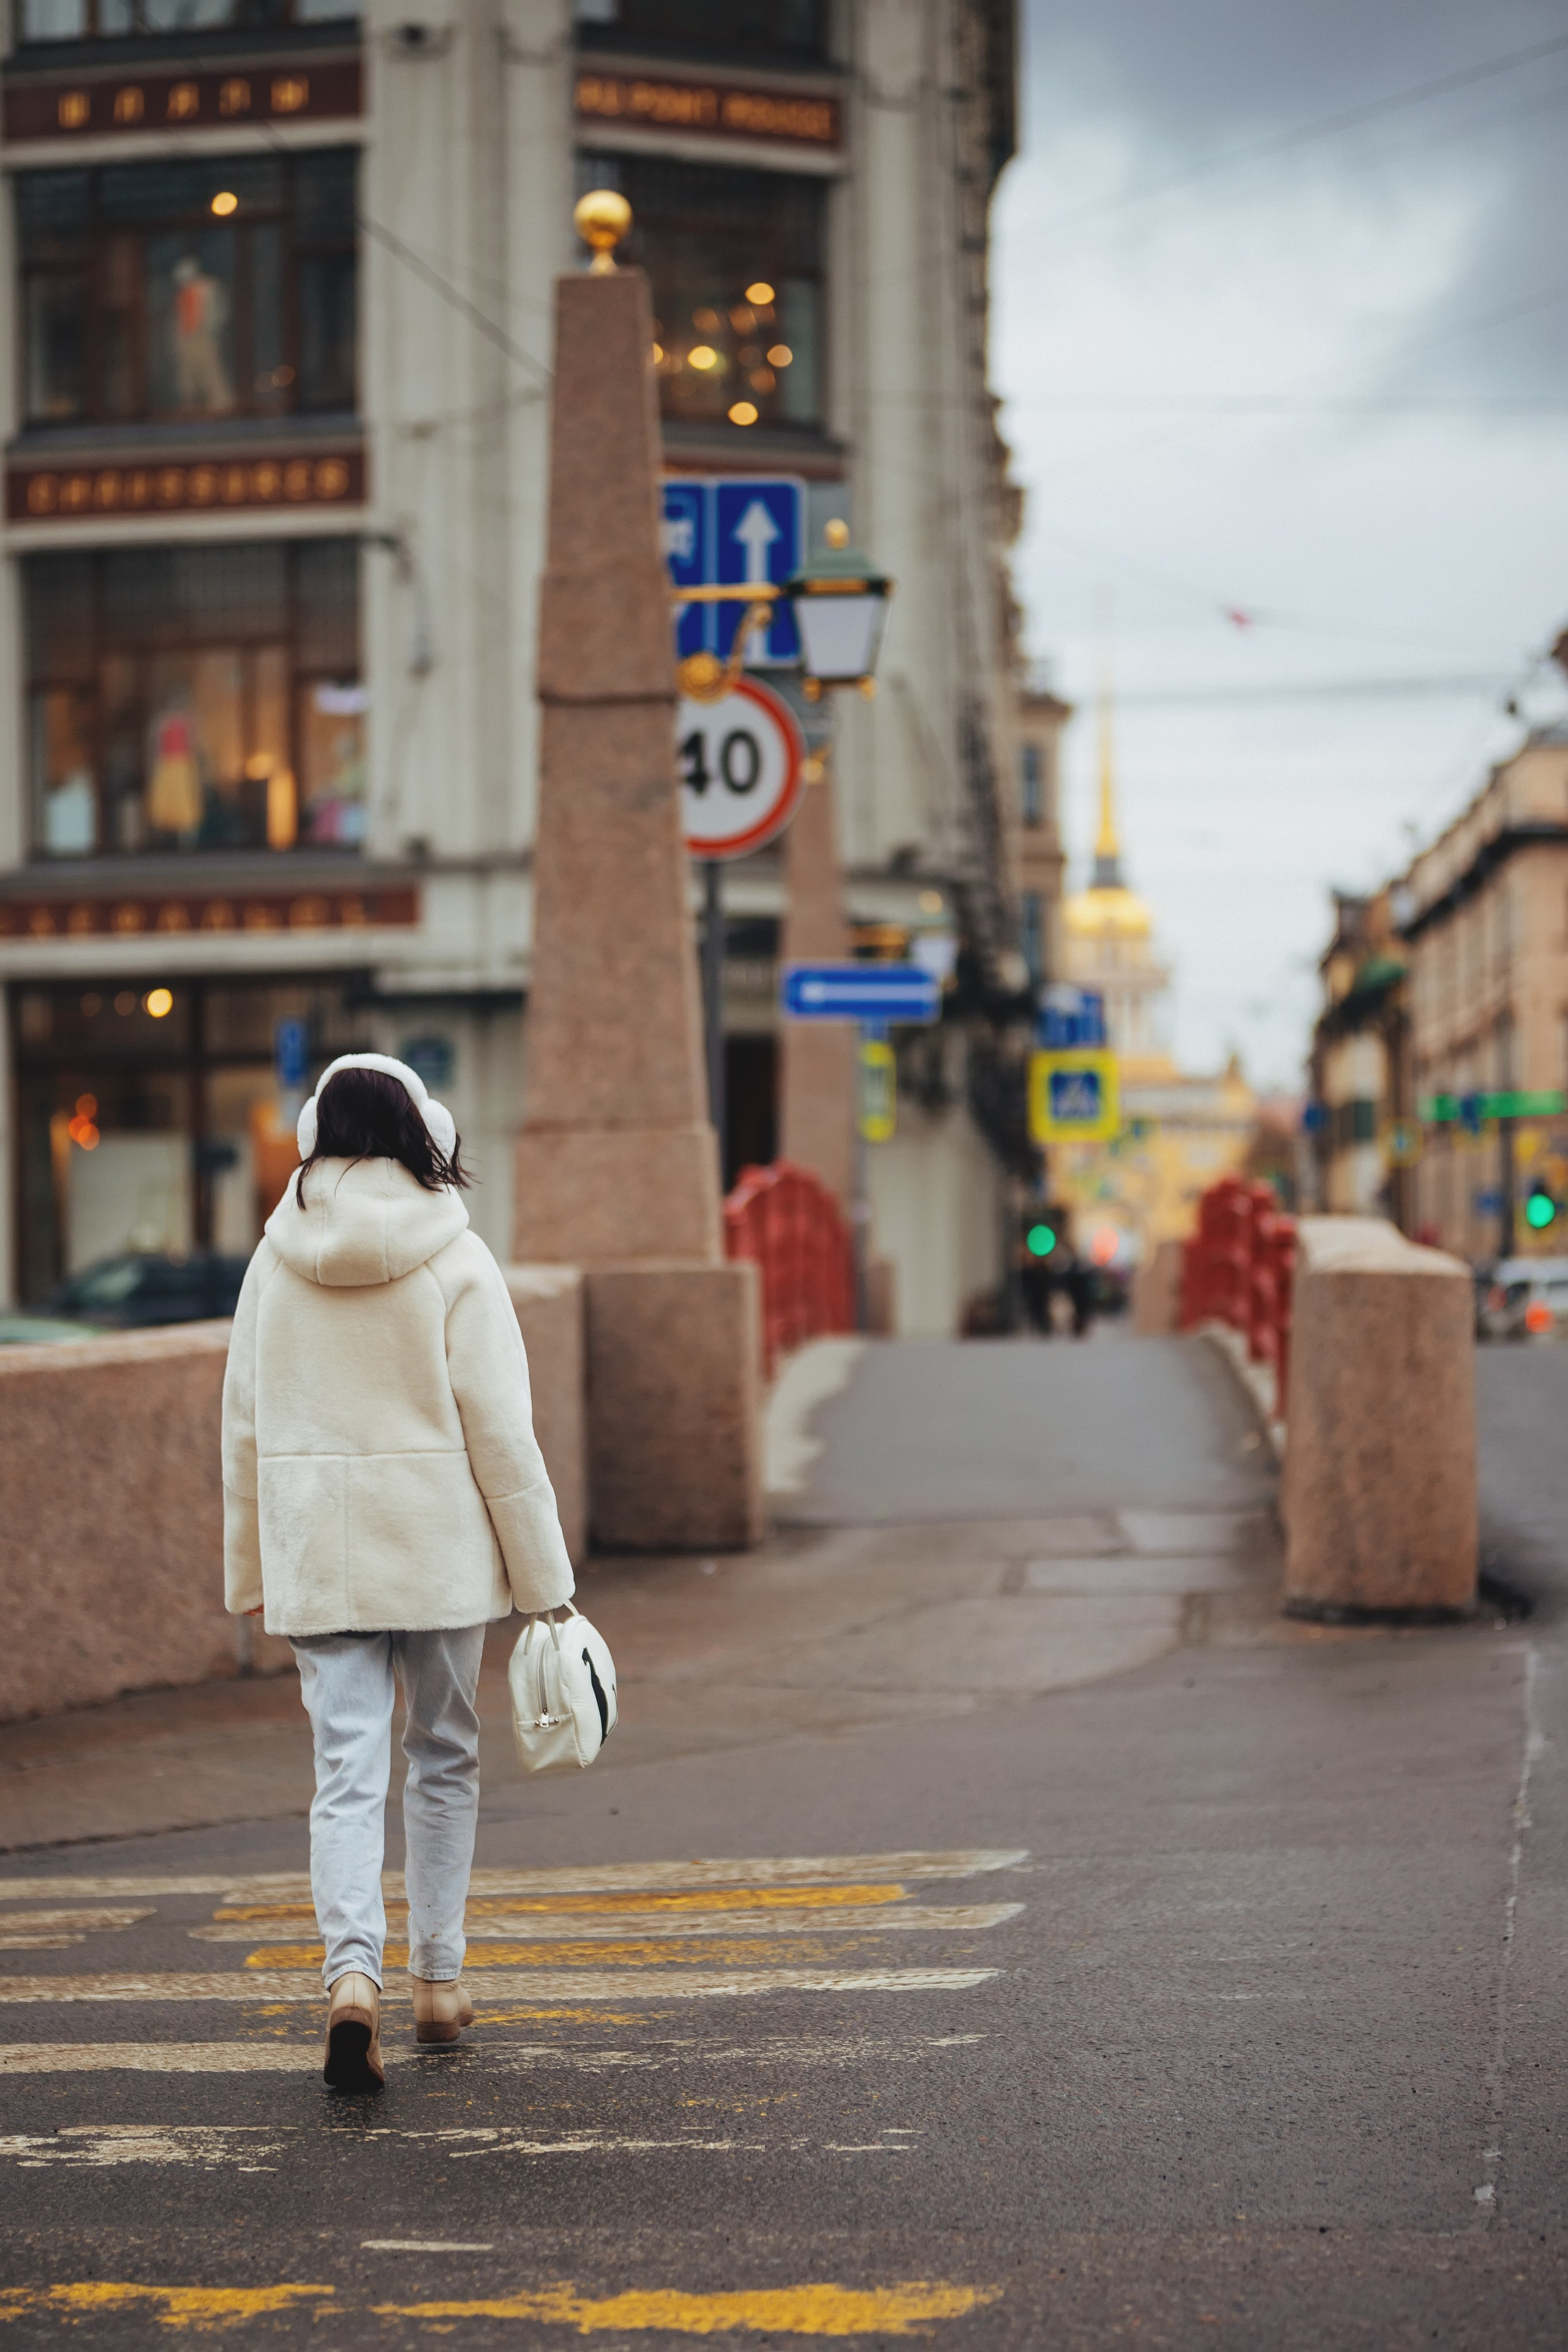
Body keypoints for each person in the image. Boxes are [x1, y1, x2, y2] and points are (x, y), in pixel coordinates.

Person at [221, 1054, 574, 2094]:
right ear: (430, 1135)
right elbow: (502, 1435)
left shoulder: (272, 1262)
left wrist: (251, 1568)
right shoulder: (457, 1261)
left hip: (317, 1552)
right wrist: (543, 1580)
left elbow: (243, 1428)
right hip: (438, 1552)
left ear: (313, 1136)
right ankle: (439, 1985)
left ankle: (349, 1981)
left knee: (345, 1768)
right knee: (445, 1752)